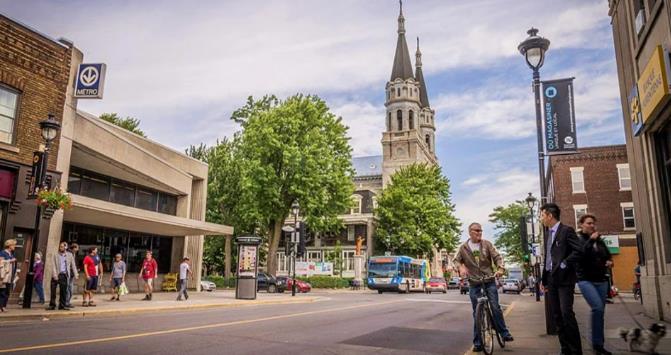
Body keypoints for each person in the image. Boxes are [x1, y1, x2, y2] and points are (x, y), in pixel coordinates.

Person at [453, 222, 514, 352]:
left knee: (495, 306)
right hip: (474, 282)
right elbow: (456, 260)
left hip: (489, 280)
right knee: (476, 312)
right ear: (470, 232)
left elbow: (497, 257)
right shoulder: (463, 248)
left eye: (481, 230)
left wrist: (500, 268)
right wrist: (461, 267)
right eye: (476, 230)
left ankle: (504, 332)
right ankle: (478, 343)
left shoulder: (487, 244)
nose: (479, 232)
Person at [540, 203, 584, 355]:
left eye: (542, 215)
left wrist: (565, 263)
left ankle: (576, 350)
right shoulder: (548, 234)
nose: (541, 219)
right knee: (557, 315)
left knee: (566, 313)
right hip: (551, 280)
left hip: (564, 280)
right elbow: (547, 258)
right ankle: (565, 349)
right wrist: (544, 280)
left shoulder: (566, 231)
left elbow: (579, 250)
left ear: (550, 215)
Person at [576, 214, 613, 355]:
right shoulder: (579, 240)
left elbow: (607, 256)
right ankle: (596, 344)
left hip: (601, 280)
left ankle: (599, 344)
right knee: (597, 308)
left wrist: (609, 262)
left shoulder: (600, 241)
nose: (592, 225)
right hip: (586, 280)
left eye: (593, 223)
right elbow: (580, 255)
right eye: (589, 223)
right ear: (581, 225)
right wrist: (591, 241)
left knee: (600, 312)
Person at [49, 242, 76, 310]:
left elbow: (73, 265)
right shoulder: (55, 255)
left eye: (62, 246)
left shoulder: (70, 255)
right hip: (56, 274)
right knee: (53, 291)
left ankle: (62, 305)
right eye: (60, 246)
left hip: (64, 275)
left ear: (65, 247)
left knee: (63, 291)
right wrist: (55, 275)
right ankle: (52, 305)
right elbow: (53, 265)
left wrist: (76, 274)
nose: (60, 248)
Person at [0, 239, 18, 312]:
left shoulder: (11, 254)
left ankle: (4, 306)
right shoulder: (3, 253)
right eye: (14, 245)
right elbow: (1, 262)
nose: (15, 246)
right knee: (2, 292)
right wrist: (10, 261)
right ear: (9, 246)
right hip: (4, 277)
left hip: (10, 276)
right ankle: (0, 307)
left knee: (7, 292)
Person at [66, 243, 79, 308]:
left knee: (70, 289)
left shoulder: (74, 254)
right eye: (77, 248)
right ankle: (66, 302)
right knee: (68, 289)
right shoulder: (68, 253)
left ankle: (67, 302)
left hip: (72, 274)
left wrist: (76, 271)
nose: (78, 249)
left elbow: (74, 264)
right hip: (68, 274)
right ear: (73, 248)